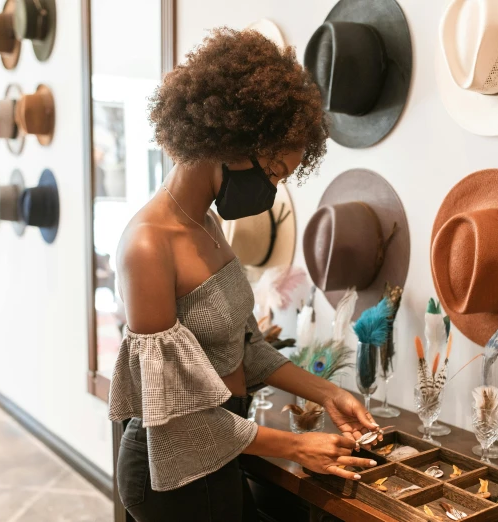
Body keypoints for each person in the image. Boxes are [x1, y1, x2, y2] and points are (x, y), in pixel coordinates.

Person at [109, 28, 383, 521]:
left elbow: (244, 347)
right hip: (172, 472)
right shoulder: (148, 245)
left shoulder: (209, 224)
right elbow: (177, 421)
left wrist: (330, 392)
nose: (274, 190)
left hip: (225, 449)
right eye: (274, 173)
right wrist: (297, 447)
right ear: (230, 141)